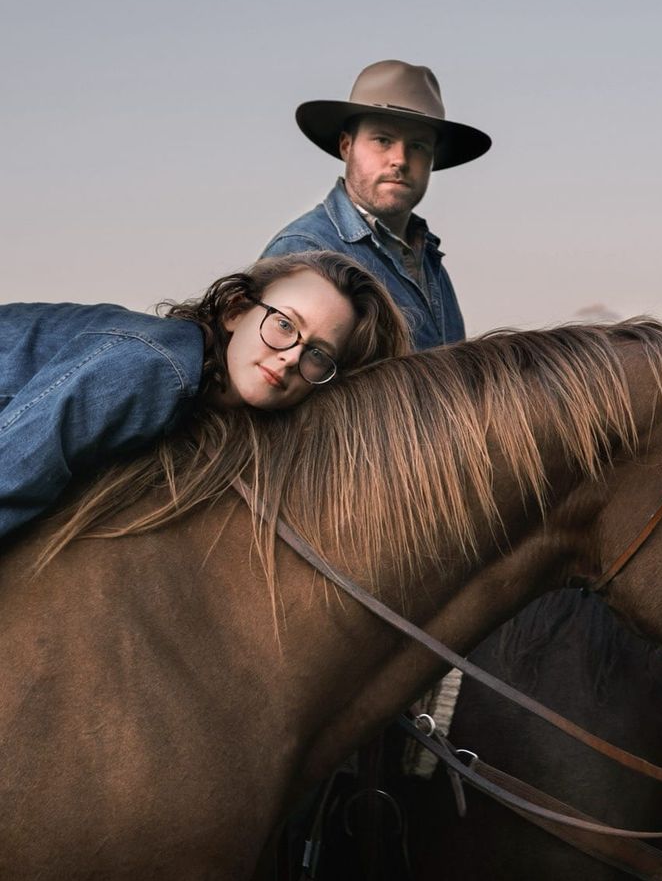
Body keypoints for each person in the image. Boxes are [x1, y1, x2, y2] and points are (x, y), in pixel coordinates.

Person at [0, 250, 407, 544]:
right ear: (236, 310)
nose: (290, 357)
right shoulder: (157, 368)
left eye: (318, 354)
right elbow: (10, 473)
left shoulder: (207, 403)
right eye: (284, 324)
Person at [262, 60, 491, 351]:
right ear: (346, 146)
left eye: (419, 146)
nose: (401, 159)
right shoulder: (305, 250)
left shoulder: (427, 256)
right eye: (383, 140)